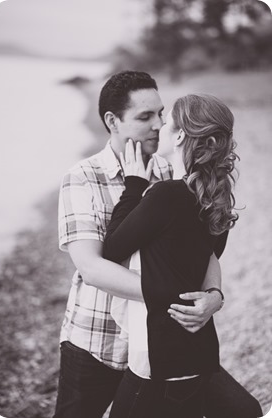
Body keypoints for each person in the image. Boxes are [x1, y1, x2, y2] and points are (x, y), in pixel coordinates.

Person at [53, 71, 262, 418]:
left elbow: (205, 251)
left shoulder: (174, 173)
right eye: (144, 116)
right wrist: (174, 294)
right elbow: (91, 267)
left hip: (165, 342)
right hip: (98, 340)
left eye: (161, 114)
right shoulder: (83, 177)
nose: (158, 124)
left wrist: (214, 296)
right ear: (112, 121)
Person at [102, 94, 240, 417]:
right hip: (198, 351)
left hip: (158, 358)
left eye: (167, 122)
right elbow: (209, 258)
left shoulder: (166, 195)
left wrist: (134, 185)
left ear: (179, 136)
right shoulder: (217, 199)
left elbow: (112, 249)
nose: (160, 126)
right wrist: (215, 295)